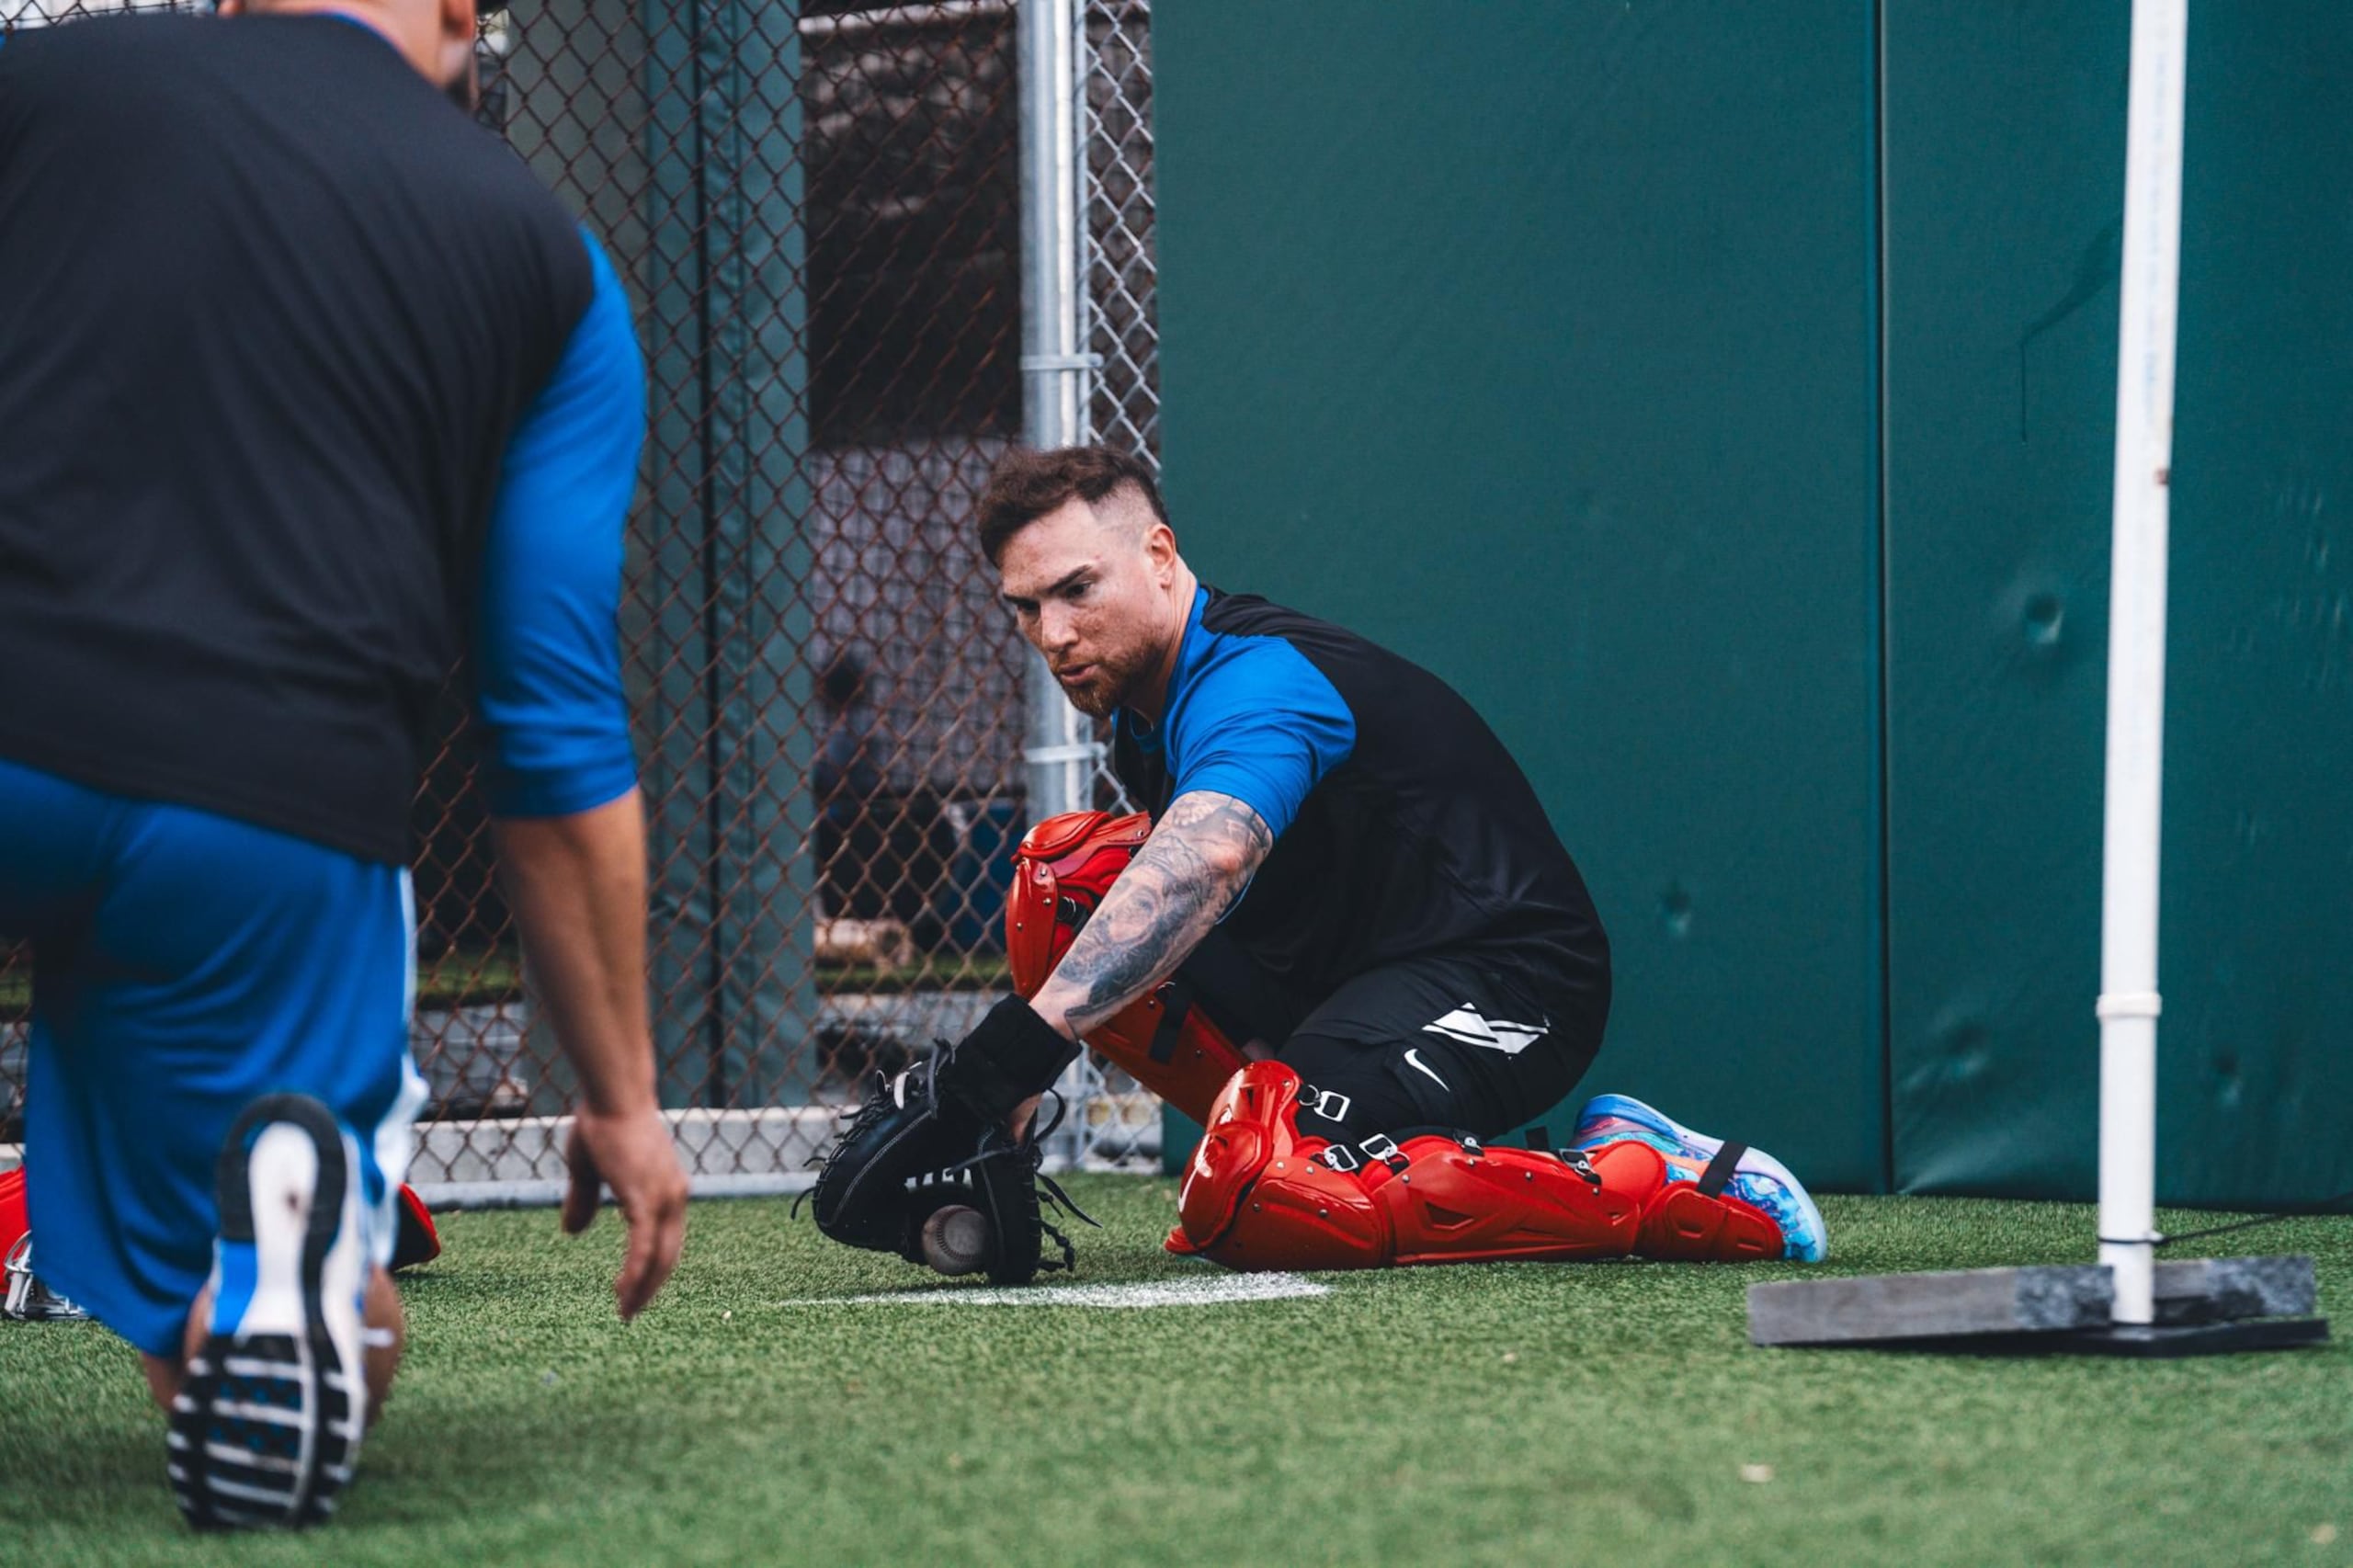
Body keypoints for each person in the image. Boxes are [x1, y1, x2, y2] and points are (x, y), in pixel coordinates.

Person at [0, 0, 687, 1528]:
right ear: (462, 18)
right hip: (267, 808)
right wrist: (624, 1097)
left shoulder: (43, 78)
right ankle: (267, 1297)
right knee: (260, 1291)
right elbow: (551, 726)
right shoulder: (551, 266)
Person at [812, 445, 1826, 1280]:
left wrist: (1003, 1054)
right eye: (1024, 608)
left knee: (1263, 1190)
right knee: (1064, 880)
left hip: (1511, 975)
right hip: (1347, 972)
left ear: (1160, 556)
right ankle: (1268, 1126)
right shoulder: (1143, 704)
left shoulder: (1254, 682)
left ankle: (1657, 1182)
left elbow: (1207, 859)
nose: (1055, 633)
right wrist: (1005, 1107)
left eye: (1077, 589)